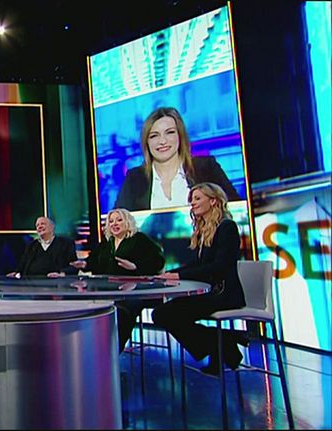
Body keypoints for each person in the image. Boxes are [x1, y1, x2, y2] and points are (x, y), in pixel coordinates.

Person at [152, 182, 248, 376]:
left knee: (164, 314)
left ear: (213, 201)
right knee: (162, 313)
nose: (192, 203)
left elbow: (220, 266)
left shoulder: (227, 227)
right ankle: (223, 341)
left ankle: (222, 342)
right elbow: (197, 264)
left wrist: (180, 275)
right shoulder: (205, 229)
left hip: (223, 294)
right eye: (191, 200)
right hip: (210, 292)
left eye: (197, 198)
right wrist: (171, 274)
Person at [48, 208, 165, 350]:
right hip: (108, 289)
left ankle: (113, 350)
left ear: (128, 222)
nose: (114, 224)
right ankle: (81, 347)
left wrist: (135, 266)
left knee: (121, 312)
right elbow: (95, 261)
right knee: (78, 302)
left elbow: (158, 261)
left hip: (133, 291)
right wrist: (84, 264)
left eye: (119, 220)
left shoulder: (139, 239)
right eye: (111, 221)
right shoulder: (107, 242)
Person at [114, 107, 240, 211]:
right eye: (154, 136)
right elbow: (117, 222)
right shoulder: (134, 178)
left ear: (180, 136)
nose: (162, 141)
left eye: (170, 132)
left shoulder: (206, 167)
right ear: (147, 142)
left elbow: (237, 209)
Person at [6, 216, 75, 277]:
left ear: (52, 227)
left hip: (56, 283)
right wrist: (16, 273)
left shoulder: (66, 243)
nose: (39, 227)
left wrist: (61, 274)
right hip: (31, 282)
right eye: (37, 225)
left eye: (43, 224)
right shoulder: (32, 245)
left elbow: (73, 266)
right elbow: (22, 265)